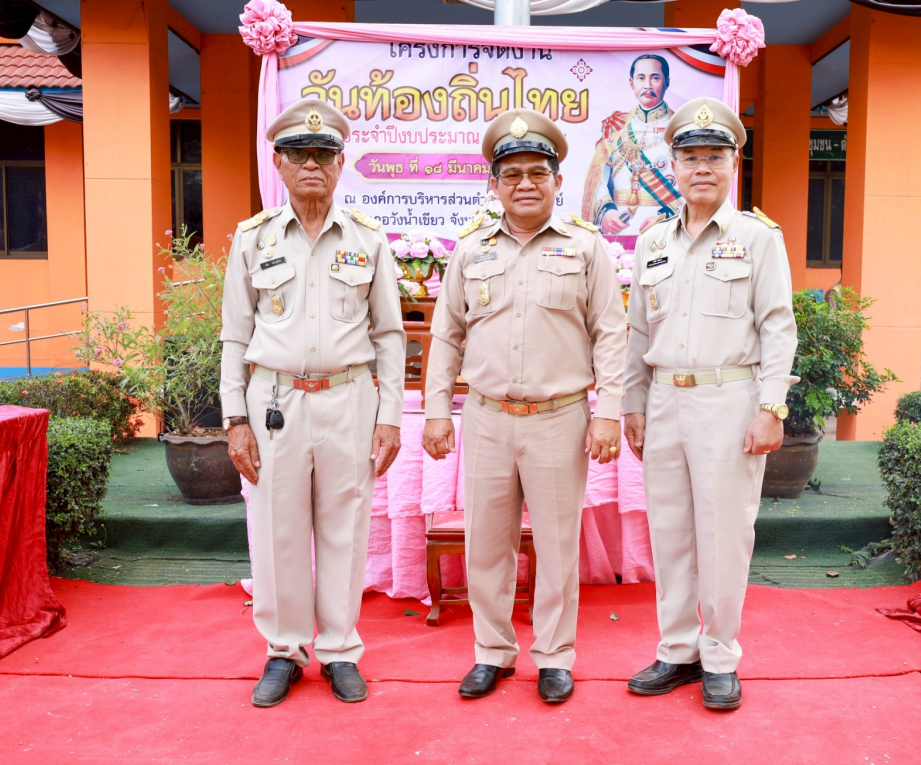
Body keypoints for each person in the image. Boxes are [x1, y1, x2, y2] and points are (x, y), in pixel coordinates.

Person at [422, 108, 627, 705]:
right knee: (487, 544)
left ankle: (556, 657)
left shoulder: (587, 249)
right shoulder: (470, 251)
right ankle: (492, 652)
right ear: (494, 185)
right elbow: (446, 335)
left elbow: (611, 334)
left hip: (559, 418)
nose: (525, 184)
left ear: (559, 182)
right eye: (511, 175)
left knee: (559, 546)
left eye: (538, 172)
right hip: (485, 416)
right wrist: (439, 410)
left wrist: (608, 412)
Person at [219, 99, 406, 708]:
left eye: (323, 154)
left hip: (348, 400)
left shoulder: (368, 240)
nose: (311, 165)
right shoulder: (252, 239)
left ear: (340, 163)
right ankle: (284, 649)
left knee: (345, 528)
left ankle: (340, 649)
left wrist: (390, 417)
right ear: (278, 162)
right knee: (276, 530)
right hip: (273, 400)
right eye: (298, 153)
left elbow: (389, 335)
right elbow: (234, 335)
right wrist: (234, 419)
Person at [623, 97, 798, 711]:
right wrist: (633, 404)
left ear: (733, 163)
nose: (702, 167)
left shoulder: (756, 238)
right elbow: (639, 334)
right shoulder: (651, 243)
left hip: (730, 397)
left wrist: (771, 408)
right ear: (672, 164)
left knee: (724, 533)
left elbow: (779, 327)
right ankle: (676, 650)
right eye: (690, 157)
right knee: (669, 531)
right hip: (666, 397)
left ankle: (720, 654)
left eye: (714, 156)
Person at [582, 54, 681, 235]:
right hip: (620, 227)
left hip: (667, 226)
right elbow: (598, 180)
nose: (648, 85)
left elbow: (693, 184)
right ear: (631, 82)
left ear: (666, 82)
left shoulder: (680, 127)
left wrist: (666, 216)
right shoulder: (615, 126)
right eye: (641, 78)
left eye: (655, 78)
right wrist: (607, 213)